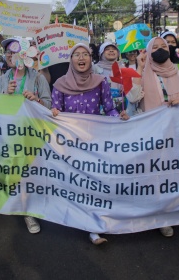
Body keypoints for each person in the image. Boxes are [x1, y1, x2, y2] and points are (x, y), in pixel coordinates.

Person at [50, 43, 129, 245]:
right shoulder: (60, 83)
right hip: (70, 144)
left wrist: (120, 117)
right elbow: (55, 109)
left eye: (85, 54)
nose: (81, 57)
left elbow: (109, 108)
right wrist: (55, 113)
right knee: (76, 184)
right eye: (77, 54)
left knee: (93, 184)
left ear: (90, 58)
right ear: (71, 59)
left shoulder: (100, 81)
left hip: (94, 141)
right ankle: (75, 218)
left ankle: (94, 228)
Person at [126, 37, 179, 238]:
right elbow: (132, 100)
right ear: (147, 52)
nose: (159, 50)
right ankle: (146, 213)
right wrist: (139, 70)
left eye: (163, 47)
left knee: (168, 175)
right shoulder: (141, 75)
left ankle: (163, 216)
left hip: (174, 135)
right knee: (148, 175)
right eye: (154, 47)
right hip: (148, 134)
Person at [0, 37, 52, 234]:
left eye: (15, 51)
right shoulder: (2, 79)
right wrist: (5, 96)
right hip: (8, 135)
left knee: (29, 173)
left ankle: (29, 211)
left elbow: (48, 105)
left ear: (25, 55)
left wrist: (35, 100)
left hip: (31, 133)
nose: (10, 55)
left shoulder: (38, 78)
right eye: (8, 52)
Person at [93, 41, 126, 112]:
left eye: (114, 49)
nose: (111, 50)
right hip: (100, 106)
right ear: (101, 53)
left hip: (119, 107)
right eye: (107, 49)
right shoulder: (95, 68)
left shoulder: (123, 68)